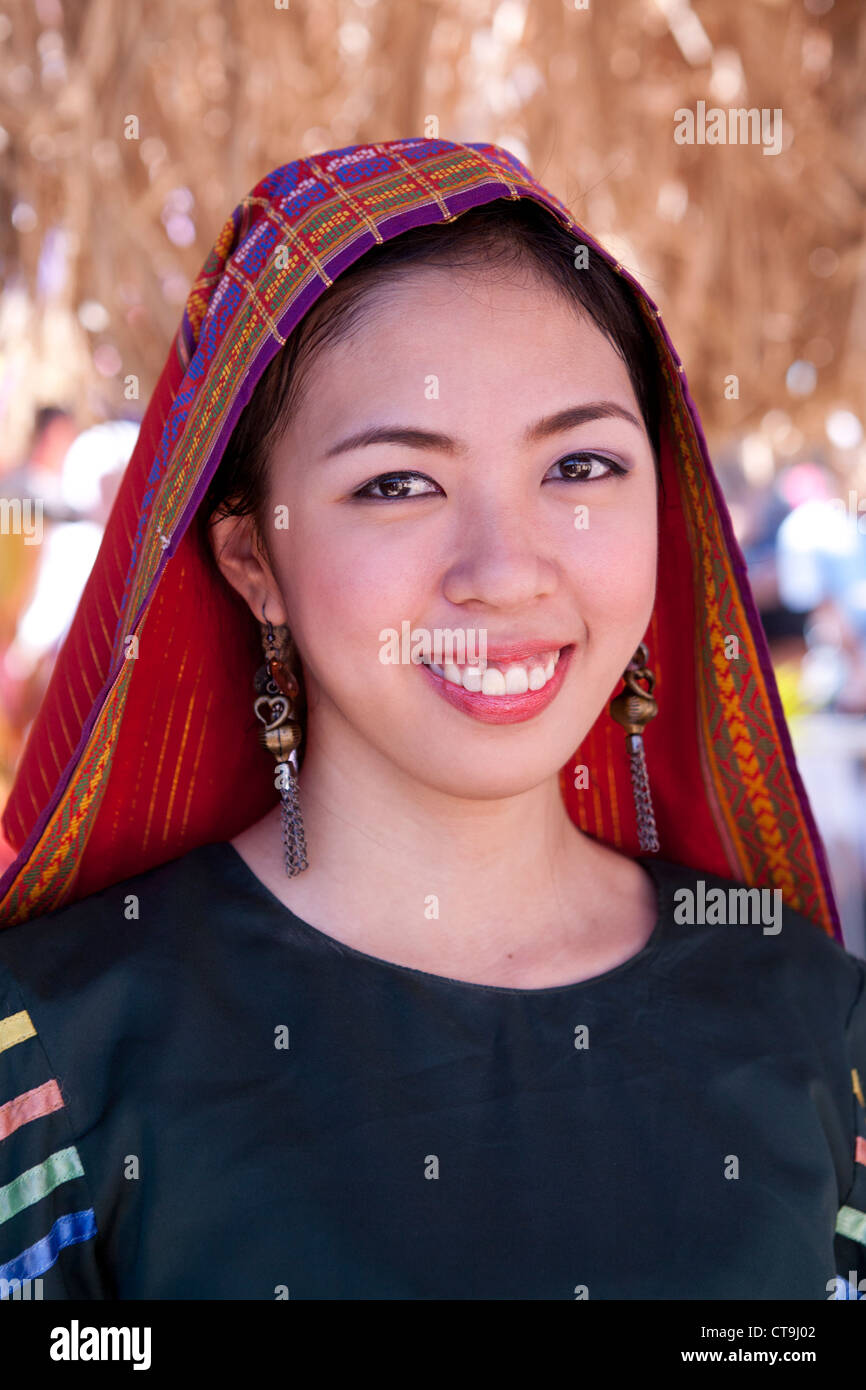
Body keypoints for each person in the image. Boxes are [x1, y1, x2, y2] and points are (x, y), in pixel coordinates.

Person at [0, 139, 863, 1301]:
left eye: (579, 465)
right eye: (397, 483)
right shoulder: (51, 1061)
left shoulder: (821, 1033)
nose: (504, 574)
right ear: (254, 557)